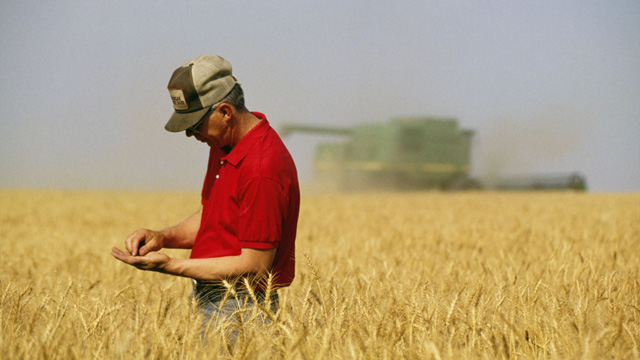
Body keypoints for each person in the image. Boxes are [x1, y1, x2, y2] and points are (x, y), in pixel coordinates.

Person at [110, 55, 300, 335]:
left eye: (195, 123)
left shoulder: (262, 168)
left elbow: (255, 266)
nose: (189, 134)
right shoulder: (223, 142)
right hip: (212, 297)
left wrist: (172, 265)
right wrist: (162, 237)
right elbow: (212, 217)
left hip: (241, 308)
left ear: (225, 112)